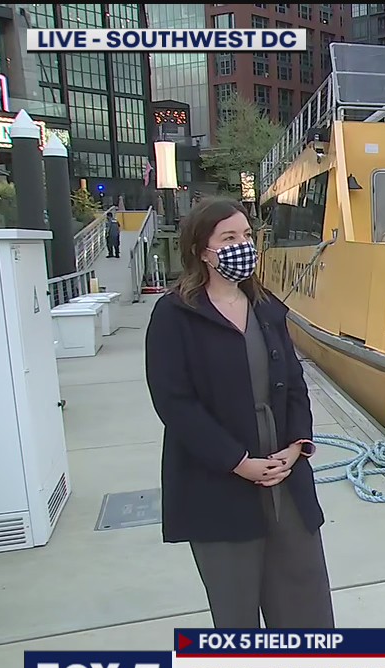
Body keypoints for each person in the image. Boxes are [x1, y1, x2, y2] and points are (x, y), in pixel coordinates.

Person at [144, 197, 335, 629]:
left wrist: (297, 446)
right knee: (236, 613)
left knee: (306, 603)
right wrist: (237, 462)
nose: (242, 245)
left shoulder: (267, 308)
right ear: (201, 250)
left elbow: (295, 384)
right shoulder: (174, 316)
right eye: (229, 238)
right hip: (218, 485)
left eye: (247, 236)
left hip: (285, 479)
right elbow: (174, 403)